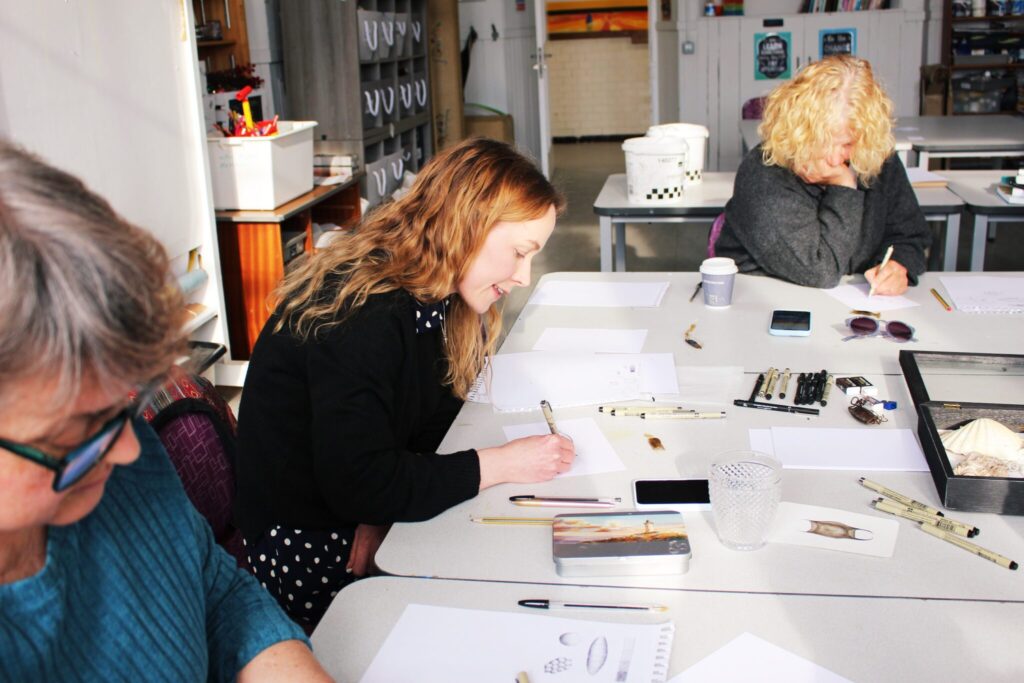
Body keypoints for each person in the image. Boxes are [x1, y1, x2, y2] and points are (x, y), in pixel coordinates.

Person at [0, 141, 331, 681]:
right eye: (76, 434)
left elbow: (212, 590)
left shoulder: (121, 456)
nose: (131, 448)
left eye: (123, 407)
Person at [235, 138, 575, 628]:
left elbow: (427, 417)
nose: (523, 276)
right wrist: (502, 463)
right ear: (467, 225)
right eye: (519, 253)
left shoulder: (427, 290)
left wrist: (385, 510)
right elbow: (360, 483)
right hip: (309, 539)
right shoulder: (366, 313)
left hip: (352, 505)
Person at [716, 55, 931, 295]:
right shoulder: (763, 174)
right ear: (798, 129)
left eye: (848, 144)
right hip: (768, 301)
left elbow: (911, 235)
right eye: (822, 140)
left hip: (859, 303)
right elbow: (820, 271)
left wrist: (899, 265)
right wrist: (844, 185)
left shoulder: (874, 156)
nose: (833, 157)